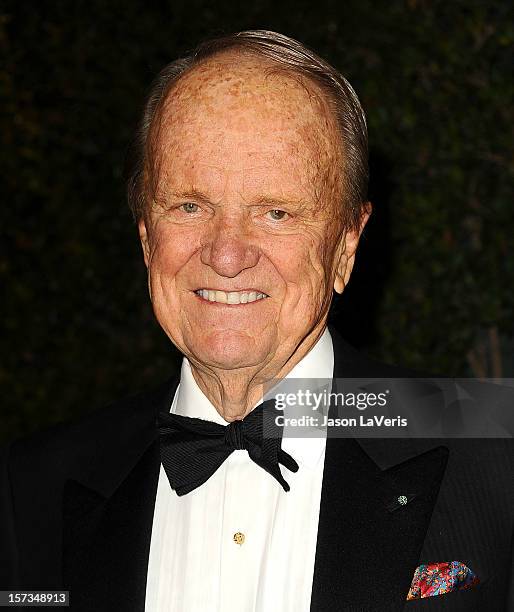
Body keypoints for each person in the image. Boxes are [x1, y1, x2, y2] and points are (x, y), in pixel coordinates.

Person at [1, 30, 512, 612]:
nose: (225, 253)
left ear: (346, 245)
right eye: (190, 206)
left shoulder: (494, 444)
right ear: (146, 236)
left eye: (276, 212)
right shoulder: (34, 484)